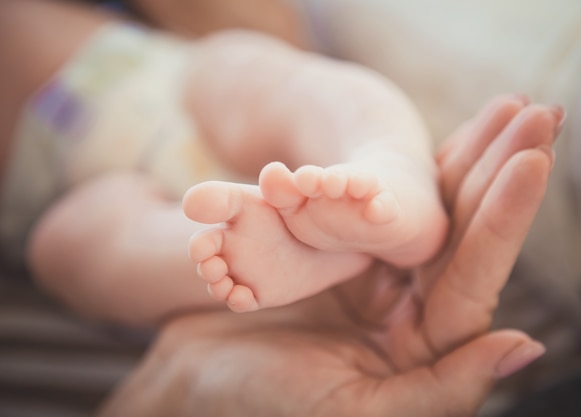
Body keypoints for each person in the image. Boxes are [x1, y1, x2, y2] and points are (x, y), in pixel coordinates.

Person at [98, 92, 559, 417]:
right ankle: (303, 244)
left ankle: (391, 173)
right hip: (78, 173)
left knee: (261, 75)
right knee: (72, 241)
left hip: (164, 78)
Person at [1, 0, 450, 320]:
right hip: (78, 191)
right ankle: (259, 250)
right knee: (62, 249)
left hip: (162, 80)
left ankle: (390, 169)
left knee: (249, 71)